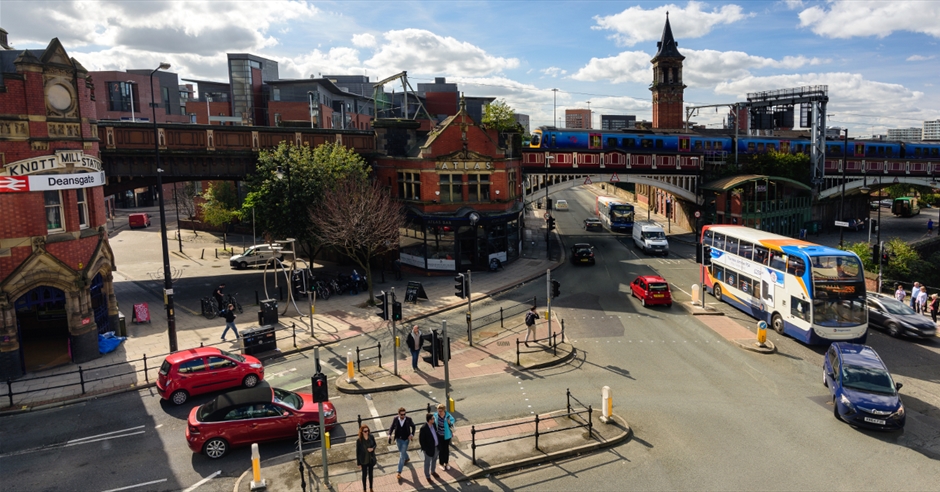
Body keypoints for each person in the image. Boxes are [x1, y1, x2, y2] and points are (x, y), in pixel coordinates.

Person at [388, 407, 416, 481]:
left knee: (401, 455)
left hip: (405, 440)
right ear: (398, 414)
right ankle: (407, 458)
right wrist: (389, 434)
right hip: (398, 439)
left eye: (404, 414)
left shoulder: (408, 419)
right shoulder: (395, 419)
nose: (403, 416)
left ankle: (399, 472)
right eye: (401, 414)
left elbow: (413, 426)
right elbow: (391, 427)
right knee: (402, 452)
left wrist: (412, 435)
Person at [434, 403, 455, 471]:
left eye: (440, 411)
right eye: (438, 411)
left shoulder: (447, 416)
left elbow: (453, 420)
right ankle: (441, 463)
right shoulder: (435, 415)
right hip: (439, 435)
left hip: (447, 436)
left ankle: (447, 463)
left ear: (444, 410)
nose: (439, 412)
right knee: (441, 450)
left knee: (446, 449)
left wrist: (449, 422)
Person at [356, 425, 377, 492]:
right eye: (365, 431)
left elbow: (375, 444)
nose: (367, 432)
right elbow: (357, 452)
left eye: (367, 431)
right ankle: (364, 489)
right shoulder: (359, 440)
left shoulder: (371, 437)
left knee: (371, 474)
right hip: (363, 460)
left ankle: (371, 488)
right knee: (364, 475)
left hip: (370, 458)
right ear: (362, 432)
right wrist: (358, 463)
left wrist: (372, 449)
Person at [419, 412, 439, 481]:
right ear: (429, 420)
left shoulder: (434, 425)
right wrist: (425, 449)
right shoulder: (424, 428)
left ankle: (433, 471)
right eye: (433, 418)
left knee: (434, 460)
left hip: (436, 447)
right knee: (427, 463)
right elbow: (421, 440)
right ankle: (427, 476)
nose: (434, 419)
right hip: (428, 449)